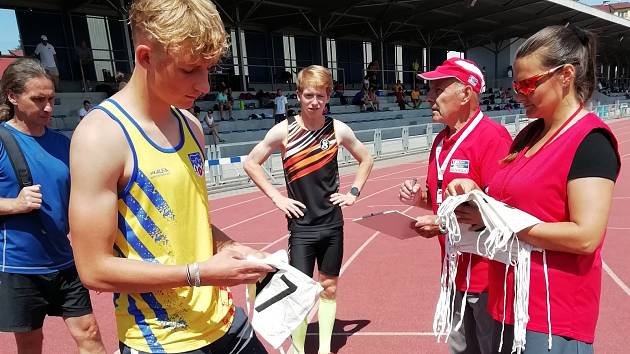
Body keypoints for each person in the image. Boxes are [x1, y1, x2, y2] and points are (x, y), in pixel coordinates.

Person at [68, 0, 274, 353]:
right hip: (162, 339)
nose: (205, 85)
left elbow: (185, 222)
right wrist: (199, 273)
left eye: (208, 69)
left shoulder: (191, 126)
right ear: (146, 57)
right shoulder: (101, 137)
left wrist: (228, 247)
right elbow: (93, 269)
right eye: (190, 69)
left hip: (225, 322)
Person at [446, 25, 620, 354]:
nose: (518, 93)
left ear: (566, 75)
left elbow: (585, 236)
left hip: (552, 315)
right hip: (506, 301)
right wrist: (476, 195)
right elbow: (508, 202)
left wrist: (504, 222)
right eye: (515, 84)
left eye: (528, 84)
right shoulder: (528, 137)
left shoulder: (590, 141)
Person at [244, 65, 374, 354]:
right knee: (300, 294)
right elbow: (251, 163)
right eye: (308, 95)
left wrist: (353, 193)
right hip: (301, 228)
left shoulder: (338, 130)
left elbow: (366, 158)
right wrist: (277, 198)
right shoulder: (284, 131)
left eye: (321, 96)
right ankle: (299, 349)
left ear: (328, 97)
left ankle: (326, 348)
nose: (314, 102)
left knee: (328, 287)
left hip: (332, 225)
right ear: (298, 95)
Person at [398, 57, 512, 354]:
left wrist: (443, 223)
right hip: (453, 271)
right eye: (430, 90)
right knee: (461, 349)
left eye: (438, 89)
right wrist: (419, 198)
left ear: (466, 93)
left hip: (488, 276)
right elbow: (438, 199)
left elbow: (500, 210)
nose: (429, 97)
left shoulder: (493, 138)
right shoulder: (441, 142)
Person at [0, 58, 106, 354]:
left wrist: (95, 256)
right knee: (32, 344)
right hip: (19, 265)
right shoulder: (1, 140)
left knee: (90, 332)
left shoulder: (63, 144)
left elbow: (82, 204)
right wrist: (14, 204)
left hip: (64, 261)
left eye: (51, 99)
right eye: (38, 99)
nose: (48, 108)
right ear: (12, 97)